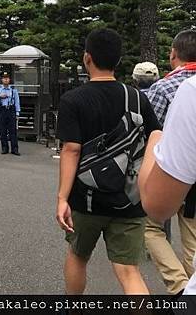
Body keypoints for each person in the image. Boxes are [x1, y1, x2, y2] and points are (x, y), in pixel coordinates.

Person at [56, 28, 161, 295]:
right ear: (118, 60)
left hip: (86, 198)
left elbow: (71, 150)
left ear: (86, 58)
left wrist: (62, 198)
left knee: (78, 256)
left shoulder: (73, 99)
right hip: (128, 198)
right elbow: (156, 138)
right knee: (129, 272)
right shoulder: (138, 98)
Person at [143, 30, 196, 295]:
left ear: (173, 53)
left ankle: (179, 286)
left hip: (167, 173)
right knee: (193, 241)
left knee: (151, 225)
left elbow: (148, 132)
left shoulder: (164, 88)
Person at [0, 72, 20, 155]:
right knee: (3, 130)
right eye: (4, 78)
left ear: (9, 79)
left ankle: (15, 149)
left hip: (11, 110)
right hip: (2, 110)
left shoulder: (13, 90)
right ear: (2, 80)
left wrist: (17, 113)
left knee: (13, 131)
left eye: (7, 78)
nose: (6, 79)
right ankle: (4, 148)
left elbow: (17, 102)